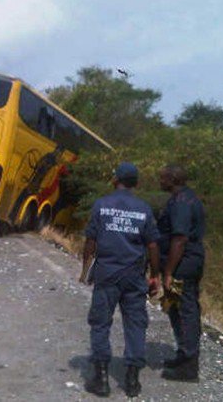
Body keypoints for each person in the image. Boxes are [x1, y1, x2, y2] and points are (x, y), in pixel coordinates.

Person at [79, 162, 160, 398]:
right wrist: (155, 276)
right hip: (134, 276)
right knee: (135, 324)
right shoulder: (144, 209)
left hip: (107, 274)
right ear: (135, 183)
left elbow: (90, 240)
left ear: (116, 180)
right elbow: (153, 245)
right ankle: (132, 380)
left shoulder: (101, 205)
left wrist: (85, 269)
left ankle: (101, 378)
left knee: (101, 322)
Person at [157, 164, 206, 382]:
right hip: (182, 263)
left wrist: (168, 273)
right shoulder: (184, 198)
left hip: (182, 265)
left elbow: (180, 239)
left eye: (163, 177)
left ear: (172, 179)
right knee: (174, 307)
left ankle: (189, 365)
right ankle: (183, 353)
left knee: (185, 310)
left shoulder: (181, 203)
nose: (160, 180)